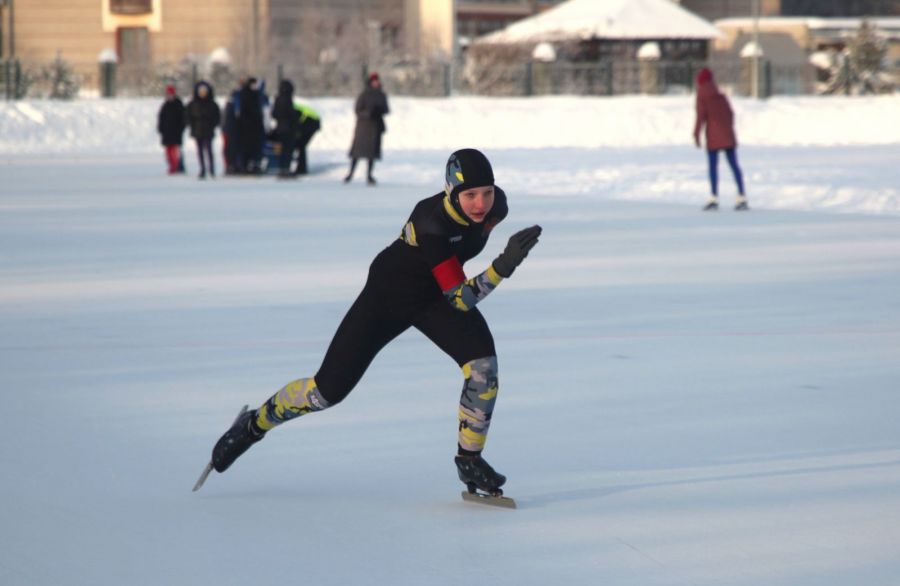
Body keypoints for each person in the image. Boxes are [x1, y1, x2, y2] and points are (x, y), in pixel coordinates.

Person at [208, 149, 542, 495]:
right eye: (470, 195)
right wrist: (503, 266)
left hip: (434, 300)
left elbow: (452, 294)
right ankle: (253, 425)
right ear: (450, 192)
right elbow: (460, 299)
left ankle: (469, 459)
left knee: (483, 367)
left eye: (486, 193)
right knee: (325, 393)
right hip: (389, 297)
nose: (480, 204)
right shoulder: (431, 224)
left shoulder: (496, 208)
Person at [693, 67, 748, 211]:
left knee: (713, 166)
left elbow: (701, 117)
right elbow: (730, 114)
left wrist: (696, 134)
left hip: (713, 137)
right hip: (728, 134)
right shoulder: (721, 95)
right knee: (734, 165)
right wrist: (727, 128)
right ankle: (742, 196)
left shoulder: (701, 95)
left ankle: (714, 197)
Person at [345, 72, 389, 185]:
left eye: (377, 81)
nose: (376, 83)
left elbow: (386, 109)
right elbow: (357, 110)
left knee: (371, 154)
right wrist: (368, 113)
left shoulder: (381, 95)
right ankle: (350, 174)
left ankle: (369, 175)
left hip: (375, 128)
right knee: (357, 153)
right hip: (363, 128)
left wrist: (379, 111)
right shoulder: (363, 95)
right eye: (374, 81)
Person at [185, 81, 222, 179]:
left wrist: (213, 125)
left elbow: (217, 117)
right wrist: (192, 125)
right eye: (201, 91)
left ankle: (212, 169)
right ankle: (202, 169)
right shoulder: (193, 104)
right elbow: (187, 116)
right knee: (200, 151)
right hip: (197, 130)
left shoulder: (212, 104)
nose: (202, 93)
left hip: (208, 130)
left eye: (204, 91)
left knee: (209, 150)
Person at [271, 79, 299, 179]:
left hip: (280, 128)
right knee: (288, 150)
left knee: (283, 150)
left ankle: (282, 168)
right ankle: (285, 169)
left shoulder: (277, 99)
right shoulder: (287, 99)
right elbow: (291, 115)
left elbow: (274, 114)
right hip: (288, 129)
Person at [237, 77, 265, 174]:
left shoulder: (255, 94)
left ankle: (252, 165)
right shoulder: (246, 95)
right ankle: (246, 166)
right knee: (247, 148)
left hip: (254, 127)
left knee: (253, 148)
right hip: (247, 127)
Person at [157, 84, 186, 175]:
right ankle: (171, 166)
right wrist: (161, 128)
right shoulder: (165, 105)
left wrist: (181, 128)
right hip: (167, 133)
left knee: (176, 151)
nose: (170, 96)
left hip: (176, 132)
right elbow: (161, 118)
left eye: (171, 94)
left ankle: (177, 166)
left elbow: (183, 118)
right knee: (168, 151)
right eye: (168, 94)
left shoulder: (178, 104)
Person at [292, 99, 321, 175]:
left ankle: (302, 169)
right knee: (300, 145)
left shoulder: (292, 110)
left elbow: (296, 124)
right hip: (311, 121)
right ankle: (301, 167)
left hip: (311, 122)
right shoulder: (292, 107)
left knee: (301, 145)